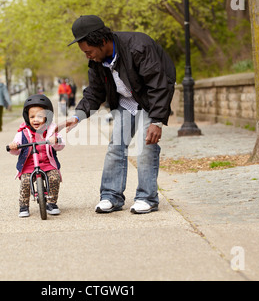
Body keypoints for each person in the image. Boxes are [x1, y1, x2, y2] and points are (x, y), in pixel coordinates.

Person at [57, 15, 176, 214]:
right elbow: (94, 92)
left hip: (150, 100)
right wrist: (77, 116)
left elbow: (158, 84)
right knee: (116, 146)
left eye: (89, 51)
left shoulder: (138, 46)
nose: (87, 56)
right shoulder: (96, 60)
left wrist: (156, 120)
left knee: (146, 145)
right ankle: (111, 196)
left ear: (102, 41)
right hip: (126, 102)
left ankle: (147, 197)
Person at [8, 94, 65, 217]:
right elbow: (16, 148)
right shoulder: (23, 133)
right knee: (26, 181)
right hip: (29, 165)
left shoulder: (51, 130)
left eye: (40, 116)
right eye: (32, 116)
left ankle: (51, 202)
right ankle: (23, 205)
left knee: (54, 177)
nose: (35, 120)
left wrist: (55, 141)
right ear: (27, 117)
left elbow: (61, 143)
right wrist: (14, 146)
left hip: (47, 164)